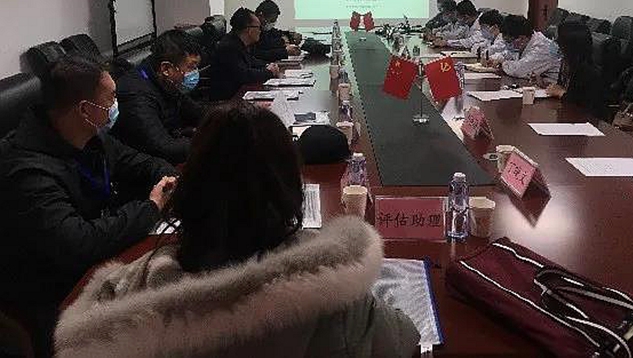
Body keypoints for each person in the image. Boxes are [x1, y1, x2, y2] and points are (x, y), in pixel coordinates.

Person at [55, 102, 420, 358]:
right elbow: (406, 340)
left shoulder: (126, 297)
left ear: (190, 184)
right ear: (290, 187)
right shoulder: (334, 288)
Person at [0, 55, 177, 356]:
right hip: (50, 289)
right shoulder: (27, 171)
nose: (116, 105)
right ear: (85, 110)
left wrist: (167, 179)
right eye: (111, 99)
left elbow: (144, 163)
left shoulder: (92, 137)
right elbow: (78, 242)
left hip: (96, 258)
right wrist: (150, 207)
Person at [112, 30, 206, 165]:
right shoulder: (136, 95)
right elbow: (163, 148)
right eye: (191, 67)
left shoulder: (166, 82)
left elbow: (198, 112)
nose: (194, 73)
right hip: (146, 169)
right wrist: (206, 141)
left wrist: (224, 118)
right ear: (166, 69)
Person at [210, 7, 281, 100]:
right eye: (258, 28)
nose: (260, 31)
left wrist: (268, 65)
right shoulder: (229, 47)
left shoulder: (239, 42)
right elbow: (245, 75)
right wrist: (269, 72)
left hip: (238, 94)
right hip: (228, 101)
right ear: (249, 29)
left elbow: (251, 61)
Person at [545, 21, 609, 118]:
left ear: (568, 45)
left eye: (558, 40)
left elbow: (585, 106)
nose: (554, 42)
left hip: (585, 121)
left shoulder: (589, 72)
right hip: (565, 114)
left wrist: (561, 93)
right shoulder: (566, 63)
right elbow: (561, 87)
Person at [489, 15, 561, 83]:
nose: (508, 45)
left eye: (509, 42)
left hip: (554, 86)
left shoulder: (542, 48)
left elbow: (519, 70)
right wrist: (496, 58)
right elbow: (509, 54)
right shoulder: (526, 42)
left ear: (522, 38)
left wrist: (502, 64)